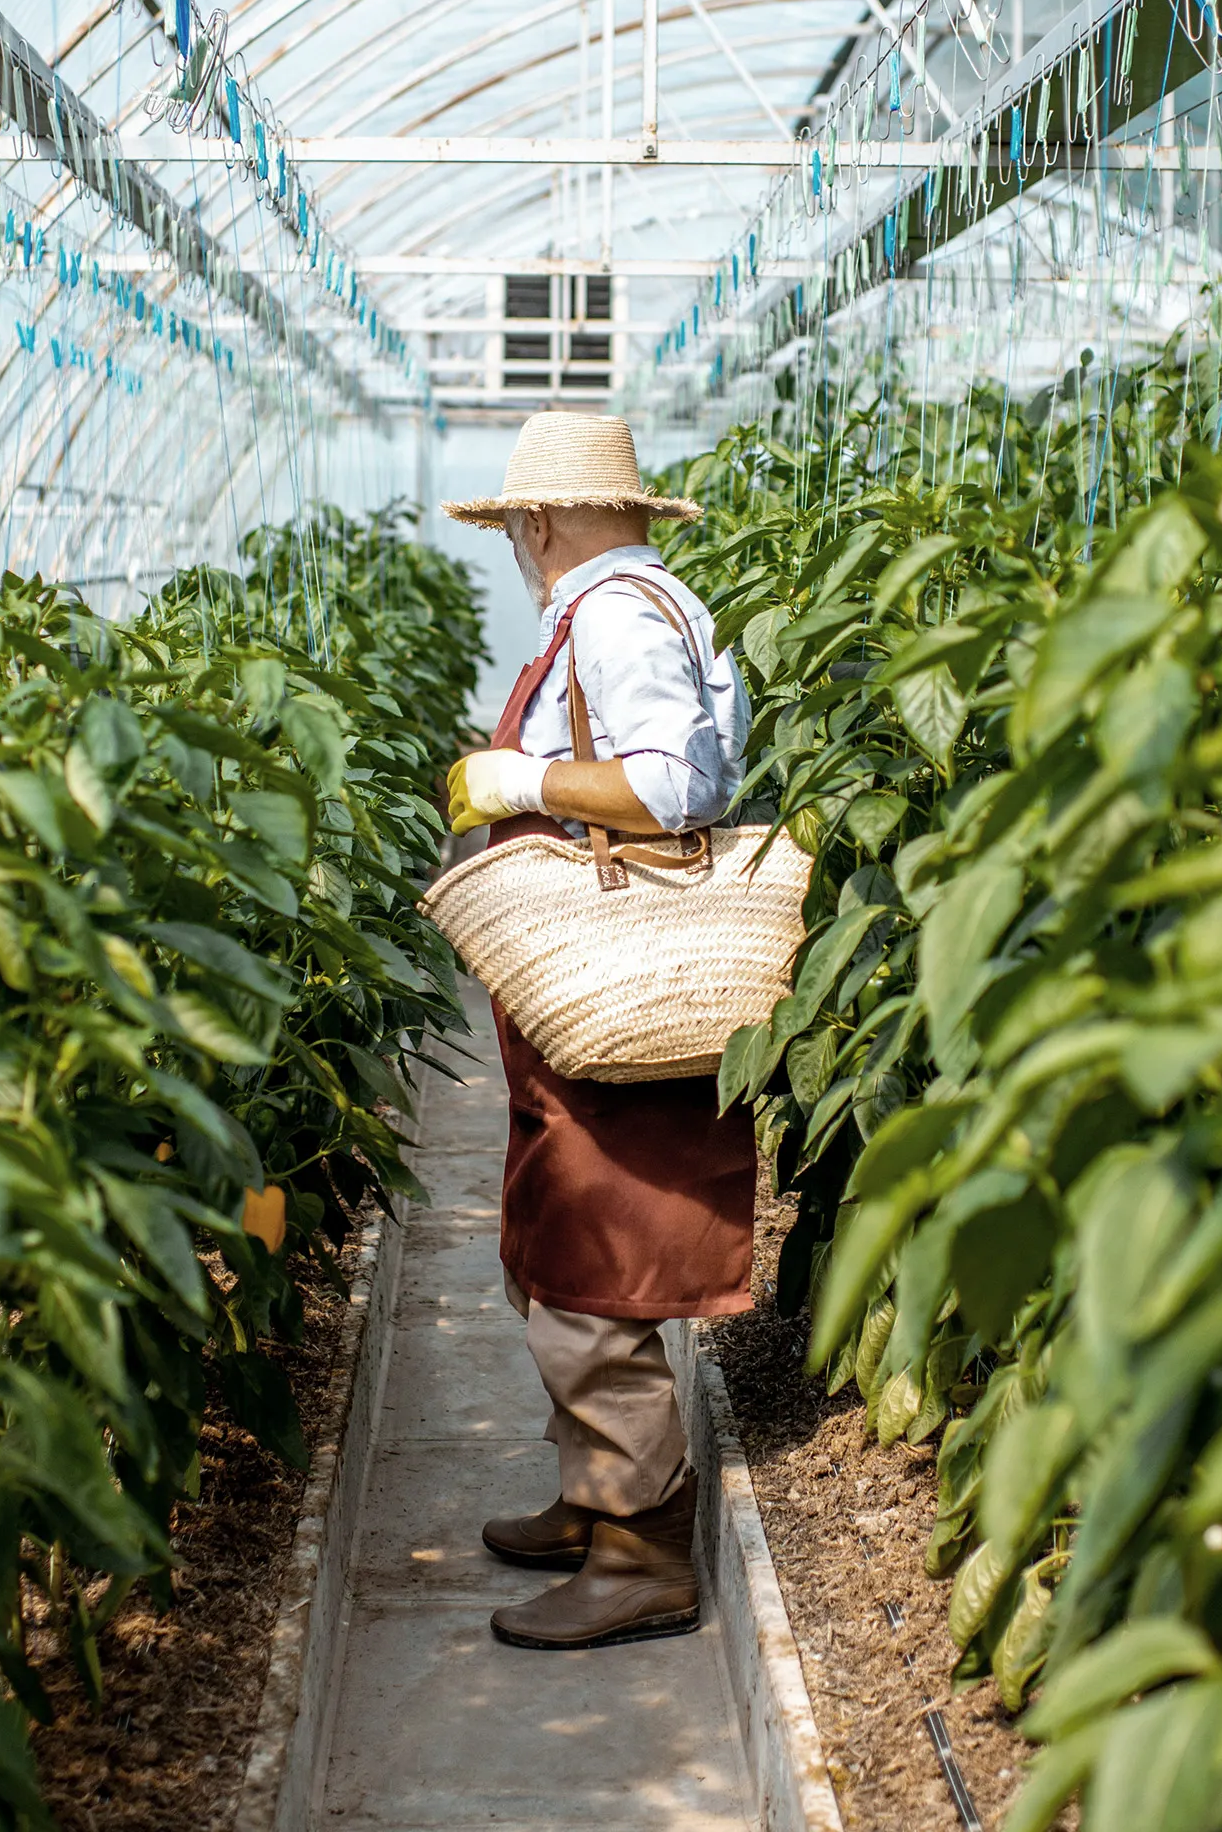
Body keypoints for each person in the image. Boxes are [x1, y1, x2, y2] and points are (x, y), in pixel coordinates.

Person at [437, 409, 750, 1653]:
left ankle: (642, 1547)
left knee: (592, 1261)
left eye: (519, 527)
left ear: (541, 523)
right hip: (584, 985)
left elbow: (673, 786)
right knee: (551, 1237)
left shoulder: (617, 616)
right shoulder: (623, 607)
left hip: (614, 986)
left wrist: (519, 785)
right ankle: (593, 1495)